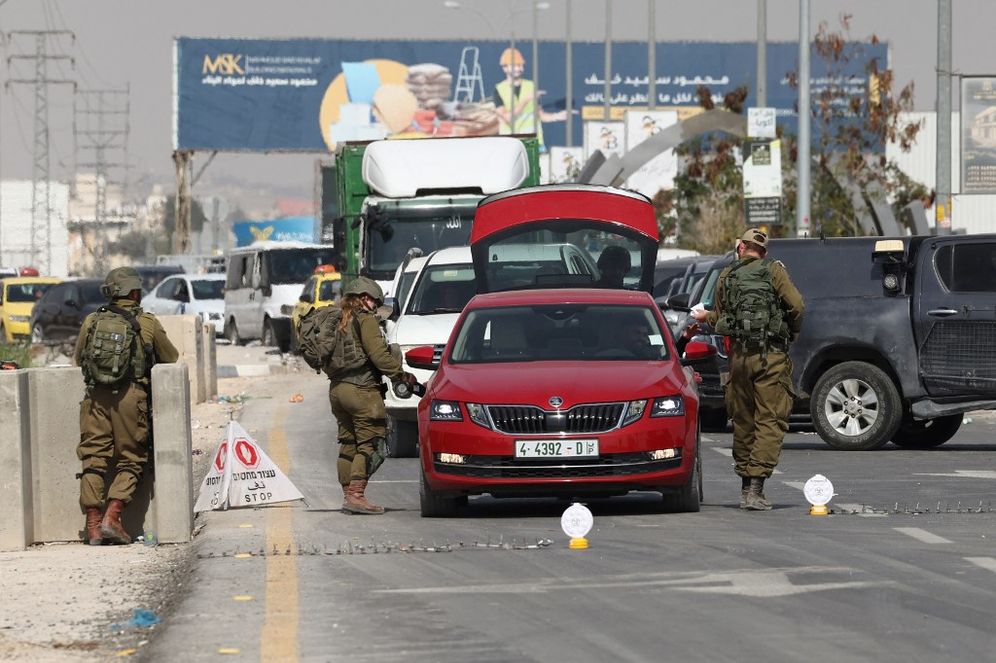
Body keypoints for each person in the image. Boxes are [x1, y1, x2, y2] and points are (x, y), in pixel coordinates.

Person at [691, 228, 804, 511]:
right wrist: (793, 331)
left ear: (741, 247)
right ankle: (756, 489)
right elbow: (797, 306)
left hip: (738, 357)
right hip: (771, 357)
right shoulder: (774, 271)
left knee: (743, 420)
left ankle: (744, 487)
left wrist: (706, 317)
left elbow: (721, 316)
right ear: (763, 252)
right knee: (770, 420)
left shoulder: (727, 275)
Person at [75, 267, 179, 545]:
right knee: (132, 458)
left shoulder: (92, 320)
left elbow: (77, 359)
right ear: (134, 292)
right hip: (131, 397)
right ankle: (113, 515)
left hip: (95, 396)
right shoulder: (147, 322)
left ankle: (93, 525)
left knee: (93, 458)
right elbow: (171, 357)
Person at [328, 277, 416, 515]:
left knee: (349, 444)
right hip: (362, 391)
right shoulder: (365, 320)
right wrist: (401, 375)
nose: (376, 306)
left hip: (337, 390)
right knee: (373, 443)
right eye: (375, 302)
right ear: (365, 298)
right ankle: (356, 495)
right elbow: (379, 356)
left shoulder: (336, 319)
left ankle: (349, 496)